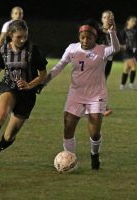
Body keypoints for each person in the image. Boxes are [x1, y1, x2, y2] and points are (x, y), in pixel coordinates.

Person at [44, 18, 120, 170]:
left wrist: (112, 32)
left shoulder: (102, 50)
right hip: (76, 94)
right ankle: (70, 160)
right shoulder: (72, 49)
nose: (85, 40)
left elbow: (116, 48)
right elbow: (59, 66)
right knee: (68, 128)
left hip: (96, 96)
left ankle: (94, 155)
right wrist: (45, 81)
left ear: (95, 38)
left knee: (94, 132)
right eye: (82, 37)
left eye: (89, 37)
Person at [0, 20, 47, 166]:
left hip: (28, 94)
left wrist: (29, 85)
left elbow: (43, 74)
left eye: (25, 36)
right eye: (19, 37)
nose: (23, 40)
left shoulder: (33, 49)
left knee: (10, 135)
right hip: (9, 86)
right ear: (11, 35)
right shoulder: (4, 49)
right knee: (1, 116)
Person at [0, 6, 24, 106]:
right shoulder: (7, 25)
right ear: (12, 15)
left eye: (20, 13)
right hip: (8, 54)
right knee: (13, 77)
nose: (18, 15)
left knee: (12, 77)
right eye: (16, 13)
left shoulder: (23, 25)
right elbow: (1, 39)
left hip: (17, 56)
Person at [98, 10, 115, 116]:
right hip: (99, 61)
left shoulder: (112, 32)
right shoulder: (97, 32)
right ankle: (103, 107)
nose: (108, 20)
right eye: (105, 17)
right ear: (102, 19)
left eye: (110, 17)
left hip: (109, 61)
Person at [119, 16, 137, 90]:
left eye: (135, 22)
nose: (134, 23)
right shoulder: (123, 31)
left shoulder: (134, 31)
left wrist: (134, 47)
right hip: (126, 52)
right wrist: (123, 46)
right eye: (132, 21)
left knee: (126, 69)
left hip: (131, 51)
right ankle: (131, 84)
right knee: (134, 67)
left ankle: (122, 85)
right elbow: (118, 42)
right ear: (128, 22)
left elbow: (133, 42)